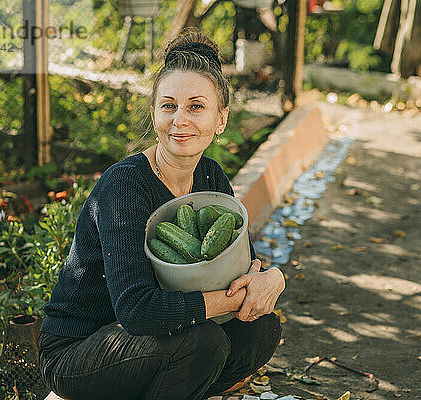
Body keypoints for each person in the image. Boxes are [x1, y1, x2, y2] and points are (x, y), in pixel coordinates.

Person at [37, 29, 286, 400]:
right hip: (81, 350)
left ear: (221, 119)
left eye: (196, 107)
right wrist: (234, 299)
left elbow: (239, 265)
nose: (180, 119)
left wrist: (273, 278)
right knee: (203, 342)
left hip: (152, 342)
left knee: (260, 329)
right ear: (154, 112)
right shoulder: (125, 185)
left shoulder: (211, 176)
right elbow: (137, 311)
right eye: (169, 106)